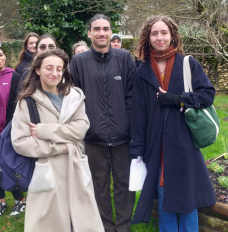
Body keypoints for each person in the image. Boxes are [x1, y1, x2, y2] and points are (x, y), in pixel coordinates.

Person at [130, 16, 216, 231]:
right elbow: (138, 114)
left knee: (186, 196)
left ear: (172, 36)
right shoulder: (142, 72)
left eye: (164, 33)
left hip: (183, 142)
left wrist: (178, 99)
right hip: (155, 145)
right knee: (163, 194)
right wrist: (138, 149)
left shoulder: (187, 64)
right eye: (154, 33)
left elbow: (207, 95)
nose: (160, 37)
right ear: (147, 38)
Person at [11, 48, 104, 232]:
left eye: (59, 69)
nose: (55, 73)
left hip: (75, 167)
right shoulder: (27, 102)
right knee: (49, 223)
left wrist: (44, 131)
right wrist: (59, 148)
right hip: (46, 170)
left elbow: (81, 129)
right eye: (49, 68)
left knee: (81, 220)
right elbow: (20, 141)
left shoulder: (74, 97)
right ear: (37, 69)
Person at [70, 14, 136, 232]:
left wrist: (126, 123)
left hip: (122, 137)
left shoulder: (125, 58)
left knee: (124, 185)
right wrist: (86, 125)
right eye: (96, 29)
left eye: (106, 29)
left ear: (111, 32)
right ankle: (105, 226)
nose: (101, 33)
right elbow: (75, 97)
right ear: (89, 33)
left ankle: (123, 226)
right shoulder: (79, 62)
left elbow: (131, 94)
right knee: (98, 186)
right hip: (93, 136)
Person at [0, 47, 26, 217]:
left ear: (4, 57)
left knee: (9, 167)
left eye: (0, 55)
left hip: (7, 131)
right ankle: (1, 202)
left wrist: (9, 130)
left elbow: (16, 105)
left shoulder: (13, 76)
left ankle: (20, 200)